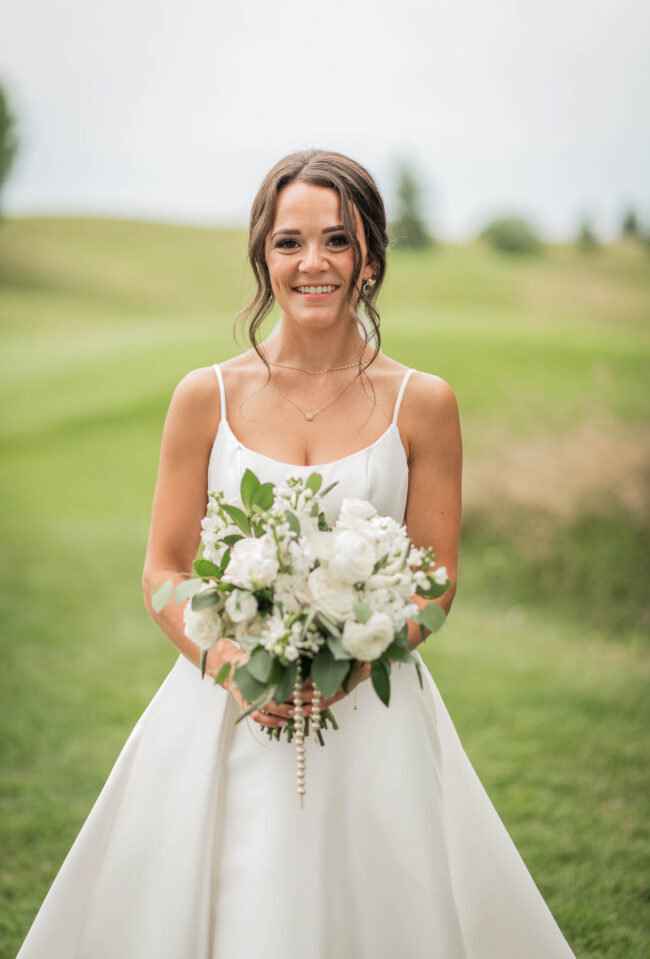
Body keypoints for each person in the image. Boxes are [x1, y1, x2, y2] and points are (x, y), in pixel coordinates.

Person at [17, 149, 576, 958]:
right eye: (288, 242)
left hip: (372, 710)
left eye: (336, 241)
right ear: (262, 255)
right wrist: (234, 663)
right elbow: (165, 569)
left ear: (371, 260)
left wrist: (352, 667)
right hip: (222, 703)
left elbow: (435, 583)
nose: (312, 262)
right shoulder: (203, 396)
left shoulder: (424, 403)